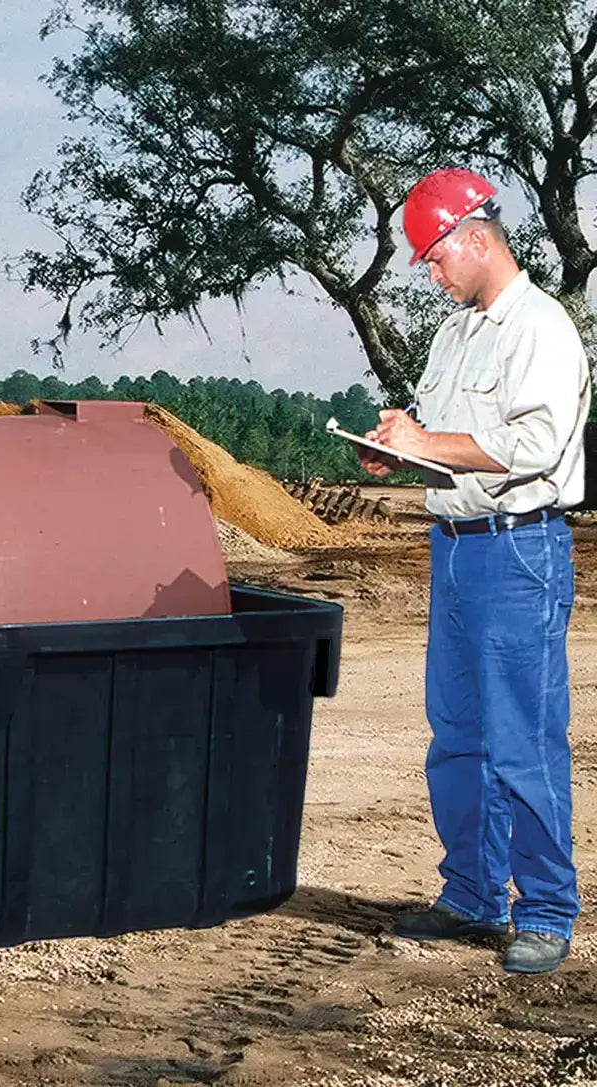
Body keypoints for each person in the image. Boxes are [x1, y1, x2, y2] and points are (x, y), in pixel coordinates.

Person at [358, 167, 591, 975]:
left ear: (476, 237)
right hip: (455, 546)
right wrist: (399, 450)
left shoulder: (543, 329)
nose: (429, 271)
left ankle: (550, 909)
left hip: (520, 548)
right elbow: (447, 449)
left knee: (521, 739)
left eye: (432, 255)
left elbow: (539, 446)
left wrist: (427, 445)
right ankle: (472, 892)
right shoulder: (455, 334)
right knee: (456, 733)